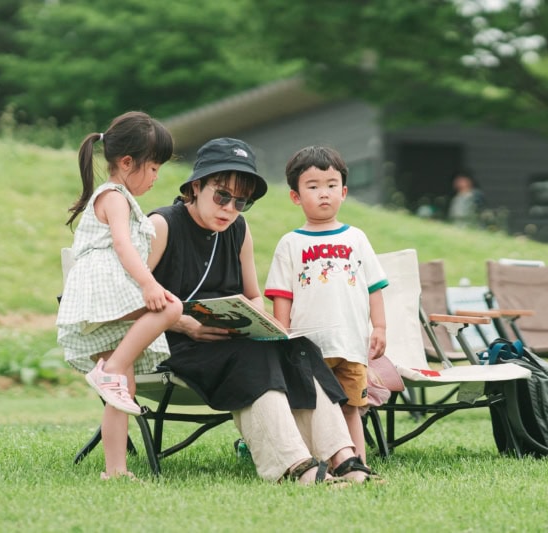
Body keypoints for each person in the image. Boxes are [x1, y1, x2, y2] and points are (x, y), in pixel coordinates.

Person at [147, 137, 381, 484]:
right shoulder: (162, 225)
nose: (229, 208)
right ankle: (294, 465)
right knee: (253, 358)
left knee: (294, 347)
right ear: (196, 187)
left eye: (241, 201)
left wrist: (257, 323)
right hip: (177, 344)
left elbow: (254, 296)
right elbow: (127, 297)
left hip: (231, 342)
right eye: (221, 196)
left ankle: (341, 456)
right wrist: (185, 324)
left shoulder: (237, 228)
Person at [57, 111, 183, 480]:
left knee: (123, 388)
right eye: (154, 167)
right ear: (127, 163)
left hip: (105, 289)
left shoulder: (120, 197)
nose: (157, 177)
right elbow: (124, 246)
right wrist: (148, 283)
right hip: (105, 287)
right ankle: (108, 371)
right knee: (170, 307)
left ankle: (115, 470)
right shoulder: (114, 197)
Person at [264, 146, 388, 469]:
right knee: (312, 405)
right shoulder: (290, 243)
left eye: (332, 186)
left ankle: (356, 463)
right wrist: (282, 337)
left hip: (349, 344)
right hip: (307, 347)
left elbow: (375, 288)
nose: (324, 194)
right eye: (313, 186)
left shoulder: (357, 238)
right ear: (295, 196)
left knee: (351, 406)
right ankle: (316, 461)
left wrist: (381, 327)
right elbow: (282, 297)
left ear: (344, 192)